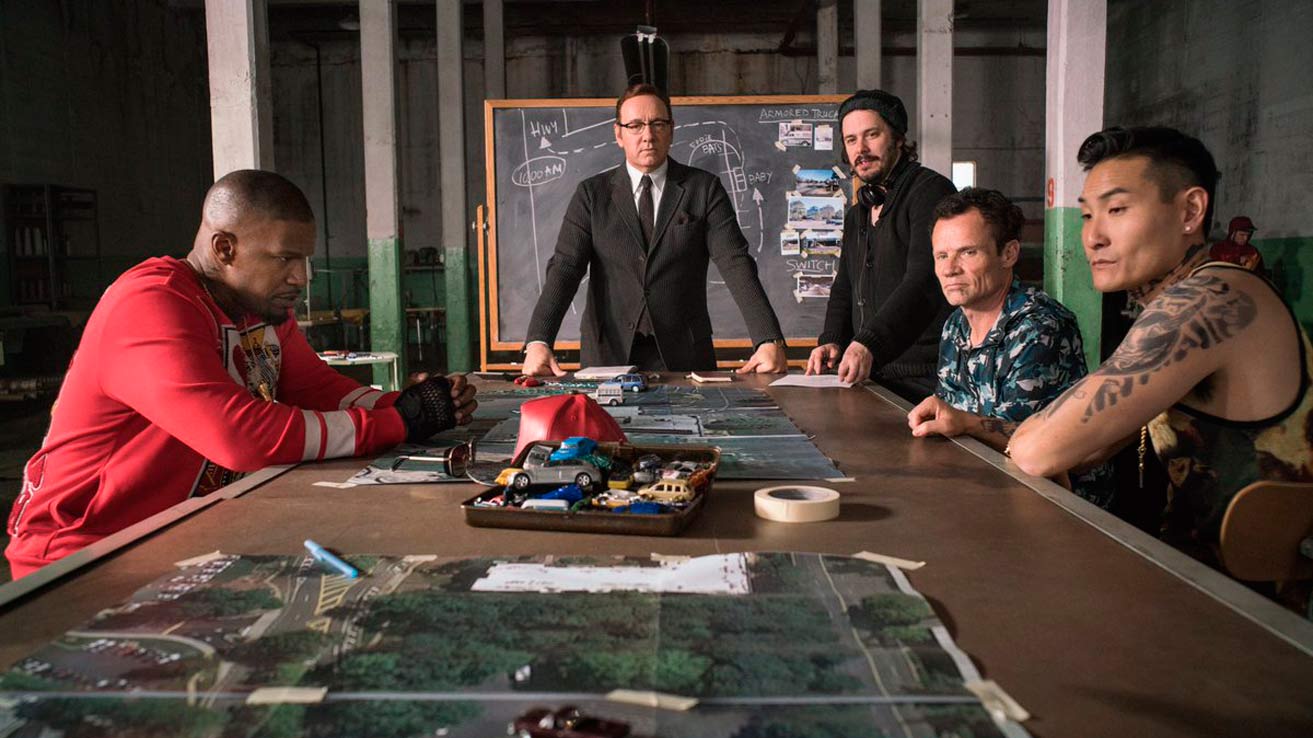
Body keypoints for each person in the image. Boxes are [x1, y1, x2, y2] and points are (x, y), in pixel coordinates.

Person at [5, 170, 477, 577]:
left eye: (305, 260)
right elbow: (237, 437)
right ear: (225, 248)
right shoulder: (152, 303)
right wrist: (397, 423)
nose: (301, 277)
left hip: (172, 531)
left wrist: (411, 403)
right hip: (83, 550)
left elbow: (315, 387)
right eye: (285, 259)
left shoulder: (258, 309)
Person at [1009, 127, 1313, 556]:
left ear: (1190, 211)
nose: (1093, 237)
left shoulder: (1205, 300)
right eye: (1087, 215)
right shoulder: (1191, 295)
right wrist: (971, 424)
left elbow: (1038, 450)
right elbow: (1092, 444)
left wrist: (1034, 439)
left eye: (1116, 209)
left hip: (1245, 591)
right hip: (1200, 570)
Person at [522, 83, 787, 375]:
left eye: (658, 124)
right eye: (635, 125)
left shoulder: (704, 189)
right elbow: (566, 267)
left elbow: (735, 261)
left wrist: (768, 338)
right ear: (618, 134)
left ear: (671, 130)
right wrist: (538, 340)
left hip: (686, 356)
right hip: (608, 354)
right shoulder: (591, 195)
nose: (648, 135)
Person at [906, 188, 1112, 507]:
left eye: (968, 252)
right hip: (984, 487)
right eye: (942, 256)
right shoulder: (955, 325)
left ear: (1009, 254)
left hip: (1058, 503)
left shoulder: (1039, 326)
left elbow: (1032, 446)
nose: (949, 269)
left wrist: (963, 422)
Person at [805, 89, 957, 399]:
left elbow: (923, 280)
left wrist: (869, 343)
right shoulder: (858, 213)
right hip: (874, 374)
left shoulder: (930, 193)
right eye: (851, 140)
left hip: (925, 377)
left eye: (871, 135)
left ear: (898, 138)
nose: (861, 149)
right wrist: (832, 339)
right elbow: (845, 286)